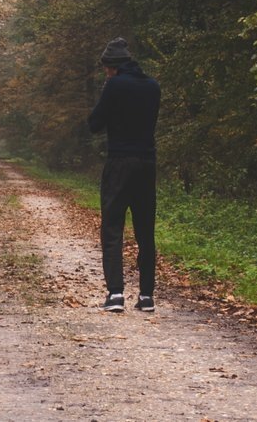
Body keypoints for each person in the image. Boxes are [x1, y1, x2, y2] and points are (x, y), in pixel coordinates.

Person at [88, 37, 161, 312]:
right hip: (147, 163)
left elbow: (95, 123)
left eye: (106, 69)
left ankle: (116, 294)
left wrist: (109, 93)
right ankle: (146, 296)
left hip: (119, 162)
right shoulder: (153, 87)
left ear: (113, 66)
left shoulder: (114, 85)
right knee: (145, 230)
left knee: (112, 228)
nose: (106, 73)